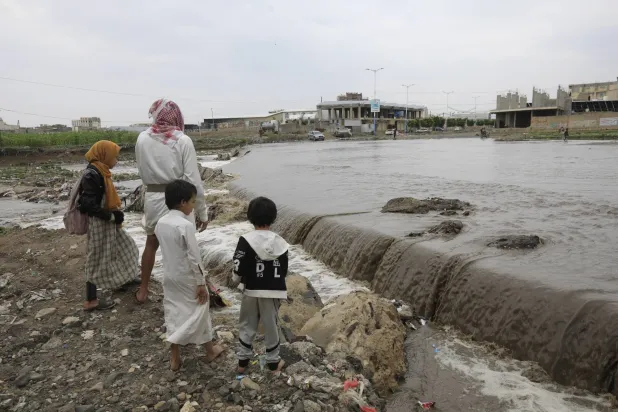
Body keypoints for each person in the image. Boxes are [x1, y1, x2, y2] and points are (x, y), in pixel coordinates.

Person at [135, 99, 208, 304]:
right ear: (176, 117)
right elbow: (193, 178)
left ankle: (143, 289)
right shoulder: (182, 140)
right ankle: (189, 290)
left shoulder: (142, 138)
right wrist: (202, 211)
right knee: (185, 245)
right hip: (179, 198)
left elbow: (141, 169)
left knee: (152, 243)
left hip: (152, 196)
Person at [155, 180, 224, 370]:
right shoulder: (185, 226)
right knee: (200, 310)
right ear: (183, 202)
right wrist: (201, 283)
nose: (194, 206)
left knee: (174, 311)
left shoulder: (161, 223)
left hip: (169, 275)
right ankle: (209, 351)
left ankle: (175, 357)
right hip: (187, 276)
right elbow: (194, 258)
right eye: (193, 202)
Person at [77, 140, 140, 311]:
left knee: (126, 246)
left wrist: (114, 216)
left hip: (108, 222)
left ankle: (125, 278)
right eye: (115, 157)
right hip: (100, 224)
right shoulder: (92, 175)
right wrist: (112, 216)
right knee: (96, 258)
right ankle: (91, 300)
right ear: (104, 156)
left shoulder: (101, 171)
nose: (116, 161)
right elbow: (88, 205)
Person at [232, 197, 289, 374]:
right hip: (273, 292)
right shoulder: (280, 242)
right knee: (271, 325)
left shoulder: (246, 240)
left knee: (247, 324)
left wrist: (236, 280)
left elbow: (238, 264)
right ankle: (273, 363)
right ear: (273, 218)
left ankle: (242, 362)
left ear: (250, 217)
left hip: (251, 289)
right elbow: (285, 268)